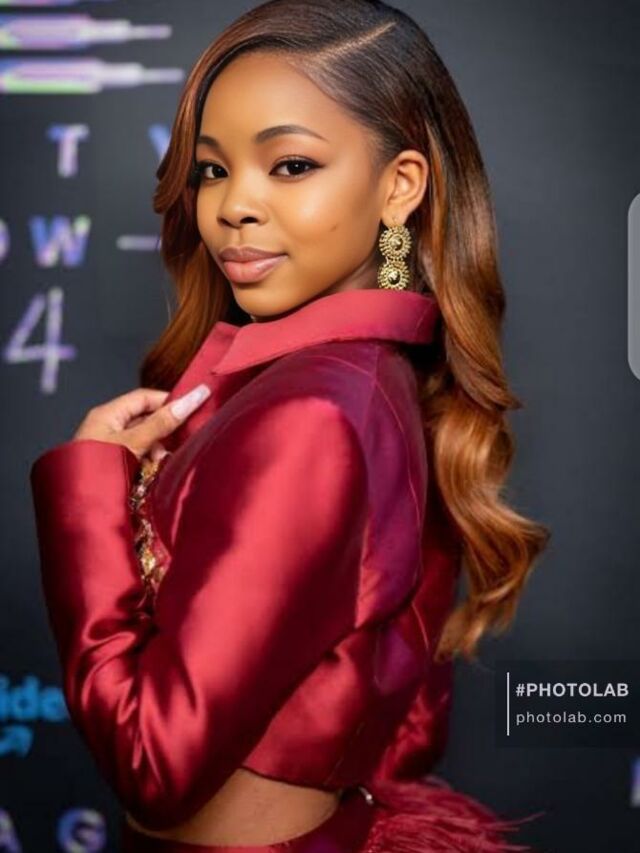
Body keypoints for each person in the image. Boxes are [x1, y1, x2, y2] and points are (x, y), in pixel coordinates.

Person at [29, 1, 550, 851]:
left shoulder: (311, 412)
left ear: (400, 186)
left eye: (292, 164)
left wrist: (88, 490)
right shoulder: (365, 378)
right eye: (212, 169)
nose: (234, 205)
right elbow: (405, 722)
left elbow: (152, 763)